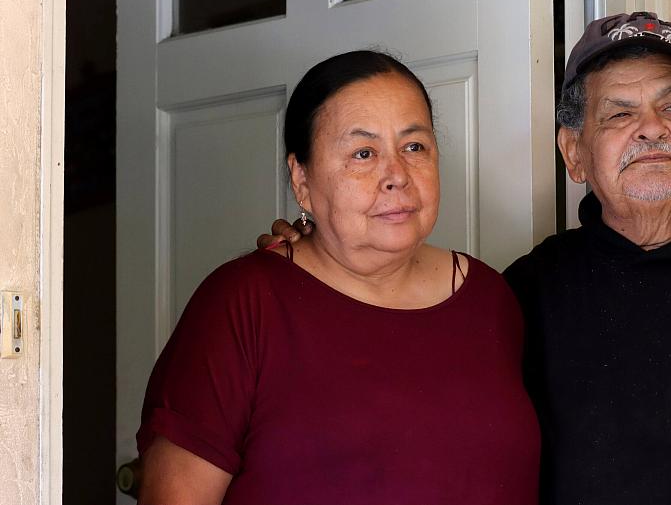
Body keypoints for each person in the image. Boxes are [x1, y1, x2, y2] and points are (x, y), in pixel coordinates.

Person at [263, 12, 671, 504]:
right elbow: (409, 397)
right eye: (619, 113)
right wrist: (320, 262)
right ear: (575, 154)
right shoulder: (530, 291)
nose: (652, 128)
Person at [137, 50, 540, 505]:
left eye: (414, 147)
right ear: (302, 179)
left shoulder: (489, 298)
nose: (397, 176)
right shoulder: (245, 304)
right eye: (363, 153)